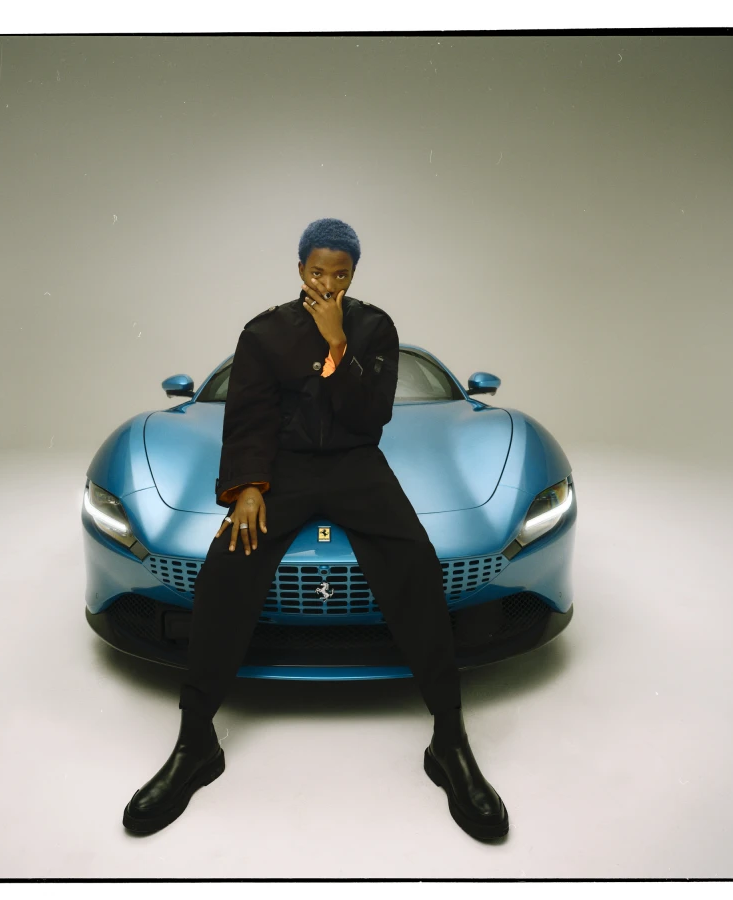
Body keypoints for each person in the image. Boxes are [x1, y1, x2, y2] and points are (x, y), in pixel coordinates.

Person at [122, 218, 508, 841]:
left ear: (354, 274)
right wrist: (249, 486)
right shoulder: (262, 332)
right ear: (300, 268)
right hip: (283, 470)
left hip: (357, 464)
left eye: (341, 274)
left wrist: (337, 346)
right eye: (318, 271)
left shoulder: (376, 327)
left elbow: (370, 417)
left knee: (415, 562)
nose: (329, 283)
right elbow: (247, 416)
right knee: (226, 567)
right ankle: (195, 743)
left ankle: (449, 739)